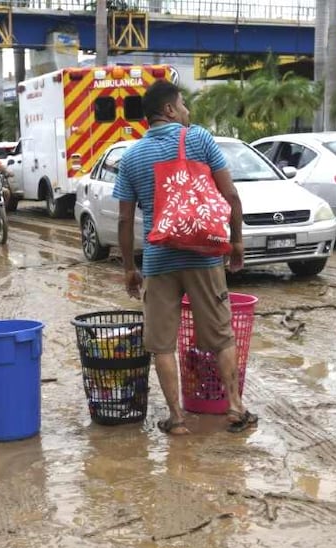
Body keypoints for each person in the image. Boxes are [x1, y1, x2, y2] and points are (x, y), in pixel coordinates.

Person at [112, 79, 257, 435]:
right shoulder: (199, 139)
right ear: (169, 110)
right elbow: (231, 196)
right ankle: (235, 408)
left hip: (158, 260)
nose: (187, 111)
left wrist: (130, 268)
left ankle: (176, 418)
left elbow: (124, 220)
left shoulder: (130, 157)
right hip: (203, 256)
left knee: (162, 344)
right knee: (222, 335)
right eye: (183, 104)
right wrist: (236, 243)